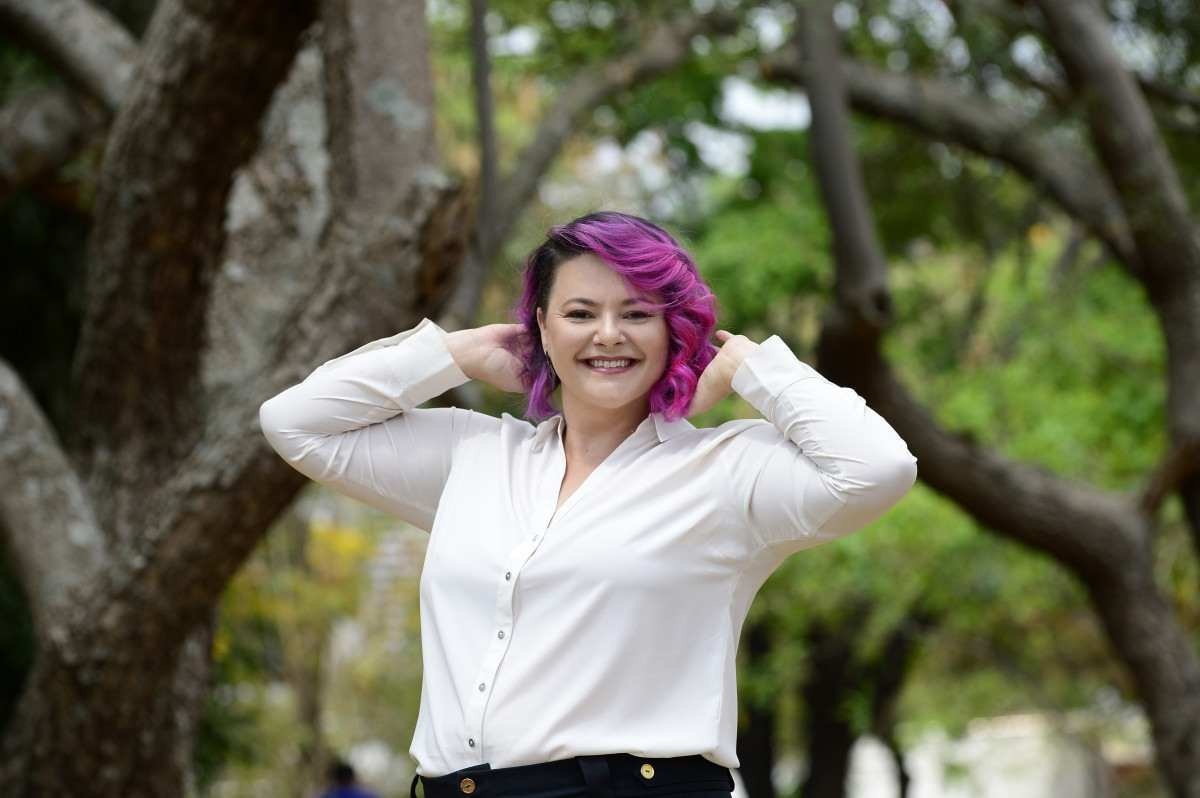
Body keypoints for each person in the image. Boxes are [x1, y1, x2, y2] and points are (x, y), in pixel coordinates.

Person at [260, 211, 918, 798]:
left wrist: (750, 365)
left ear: (671, 330)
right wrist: (452, 355)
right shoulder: (476, 457)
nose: (609, 335)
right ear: (540, 328)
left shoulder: (722, 471)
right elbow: (295, 423)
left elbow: (878, 467)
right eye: (580, 313)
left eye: (637, 313)